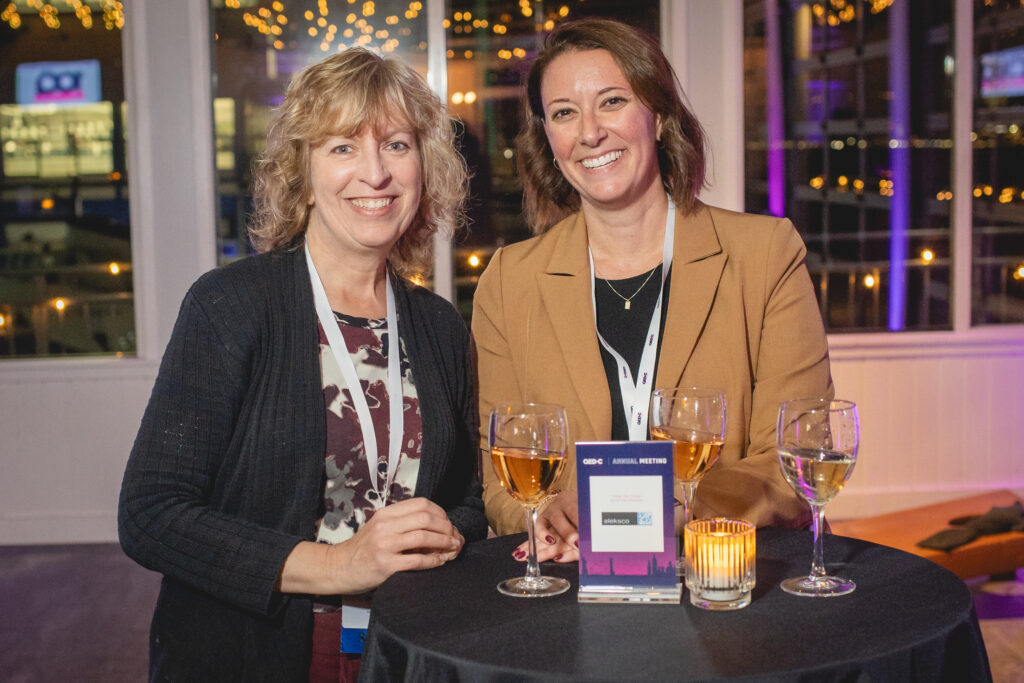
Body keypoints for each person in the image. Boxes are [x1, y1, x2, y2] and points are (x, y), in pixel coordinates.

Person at [118, 48, 486, 682]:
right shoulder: (230, 305)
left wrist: (447, 532)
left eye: (396, 145)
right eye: (343, 147)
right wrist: (340, 565)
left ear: (424, 168)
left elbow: (467, 501)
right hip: (254, 654)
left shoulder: (439, 325)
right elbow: (151, 514)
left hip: (405, 647)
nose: (375, 173)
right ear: (303, 174)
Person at [472, 18, 832, 563]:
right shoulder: (508, 280)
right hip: (576, 584)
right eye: (564, 113)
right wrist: (543, 519)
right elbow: (500, 478)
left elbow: (794, 459)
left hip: (727, 577)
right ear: (547, 138)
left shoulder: (764, 255)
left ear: (659, 116)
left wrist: (660, 507)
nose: (590, 132)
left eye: (612, 102)